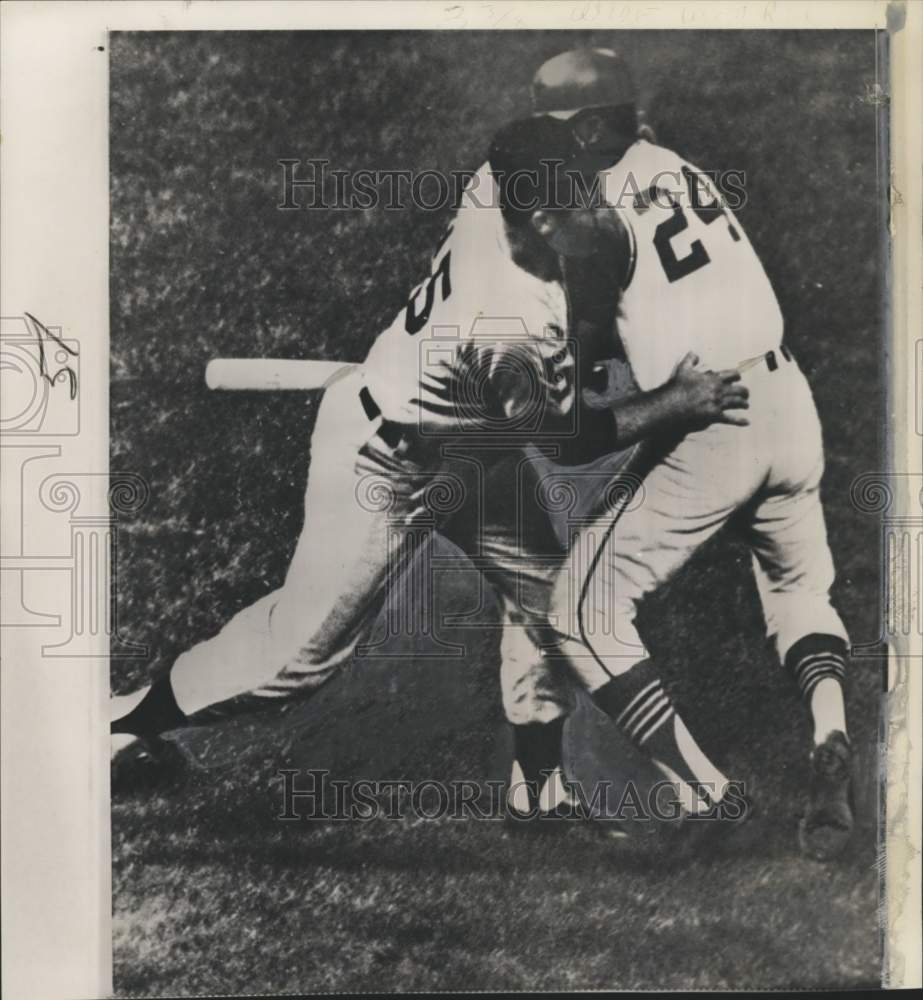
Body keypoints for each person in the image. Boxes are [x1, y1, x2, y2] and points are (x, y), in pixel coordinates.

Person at [110, 113, 747, 807]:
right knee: (293, 661)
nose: (600, 207)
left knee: (554, 603)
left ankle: (548, 793)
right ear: (537, 218)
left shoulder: (491, 187)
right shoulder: (511, 319)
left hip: (473, 445)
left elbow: (543, 137)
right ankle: (115, 721)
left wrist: (617, 131)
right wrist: (679, 401)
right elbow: (571, 443)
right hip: (385, 467)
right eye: (583, 199)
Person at [525, 49, 854, 859]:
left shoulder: (592, 214)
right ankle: (830, 726)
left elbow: (580, 399)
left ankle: (703, 792)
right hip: (788, 407)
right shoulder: (673, 164)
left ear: (597, 128)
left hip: (716, 424)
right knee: (796, 585)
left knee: (579, 609)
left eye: (558, 127)